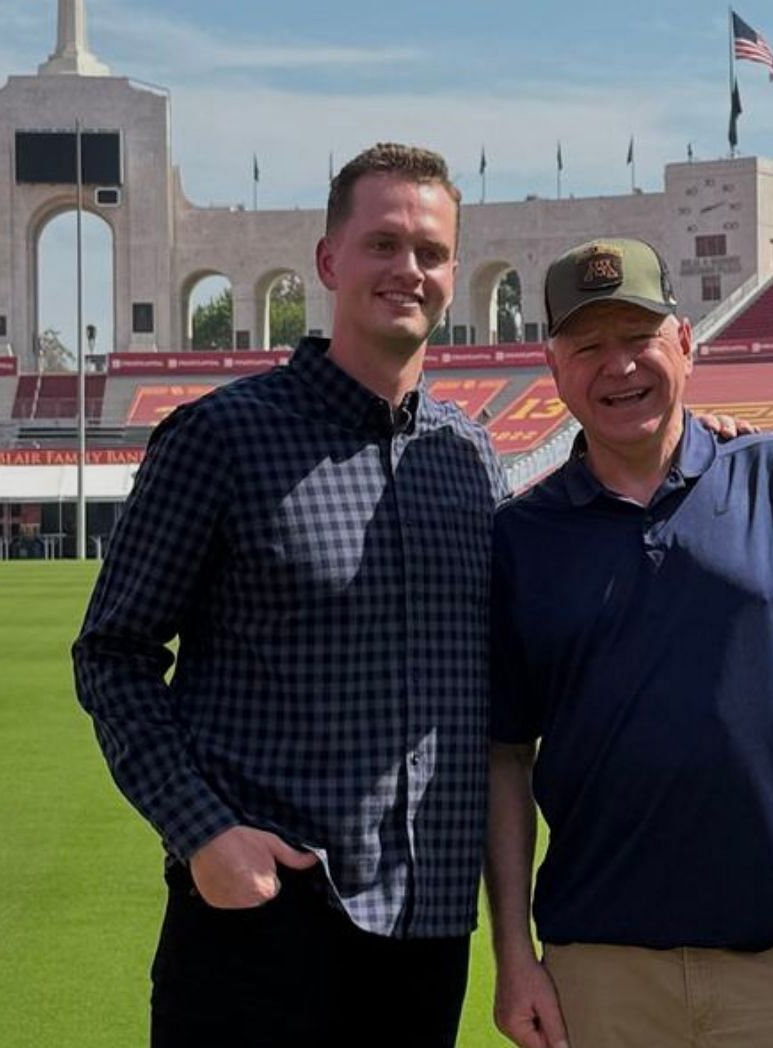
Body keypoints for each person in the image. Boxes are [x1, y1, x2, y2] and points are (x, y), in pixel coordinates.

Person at [72, 143, 505, 1046]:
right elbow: (112, 655)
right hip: (261, 921)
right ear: (328, 260)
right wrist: (203, 833)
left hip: (426, 932)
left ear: (454, 274)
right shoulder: (221, 438)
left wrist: (706, 449)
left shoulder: (469, 459)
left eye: (429, 252)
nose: (408, 270)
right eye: (382, 243)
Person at [486, 238, 773, 1048]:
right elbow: (505, 755)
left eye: (638, 338)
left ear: (684, 341)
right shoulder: (520, 537)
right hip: (601, 975)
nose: (618, 367)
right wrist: (514, 955)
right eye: (588, 346)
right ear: (553, 365)